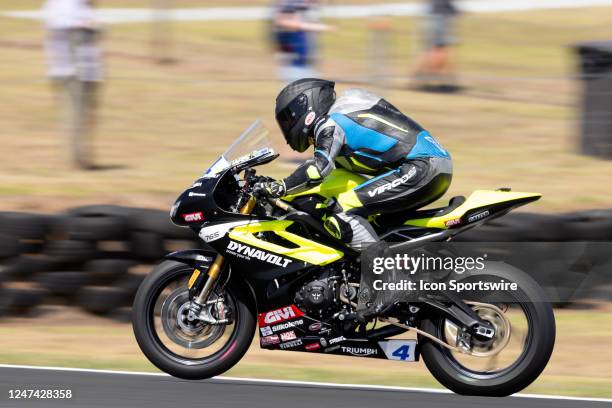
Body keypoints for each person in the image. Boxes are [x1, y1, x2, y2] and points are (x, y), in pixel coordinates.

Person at [255, 78, 453, 250]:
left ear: (306, 105)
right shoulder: (345, 110)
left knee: (344, 209)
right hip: (428, 166)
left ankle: (386, 277)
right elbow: (335, 177)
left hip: (422, 168)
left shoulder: (331, 123)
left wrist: (280, 187)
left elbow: (318, 170)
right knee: (360, 211)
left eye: (289, 119)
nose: (288, 127)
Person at [43, 0, 103, 169]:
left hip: (59, 30)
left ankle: (78, 156)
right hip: (78, 31)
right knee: (80, 98)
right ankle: (78, 159)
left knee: (73, 96)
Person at [271, 0, 332, 82]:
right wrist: (313, 27)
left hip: (306, 62)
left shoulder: (301, 5)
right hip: (294, 64)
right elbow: (282, 21)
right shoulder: (290, 4)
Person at [412, 0, 460, 93]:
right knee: (437, 51)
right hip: (439, 19)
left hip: (437, 18)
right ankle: (433, 81)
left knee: (432, 51)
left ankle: (420, 79)